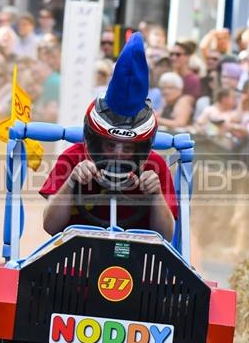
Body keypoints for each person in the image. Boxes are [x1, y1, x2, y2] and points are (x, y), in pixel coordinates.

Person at [40, 32, 178, 239]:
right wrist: (71, 182)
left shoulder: (155, 166)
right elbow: (50, 226)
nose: (119, 154)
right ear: (96, 140)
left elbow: (166, 235)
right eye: (111, 145)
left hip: (137, 263)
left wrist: (156, 195)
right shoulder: (73, 158)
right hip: (74, 260)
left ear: (141, 148)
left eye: (129, 147)